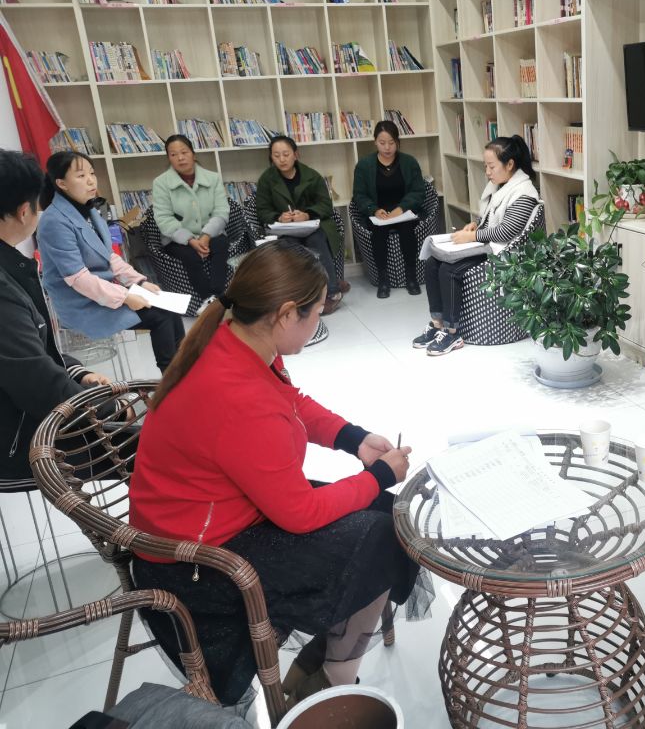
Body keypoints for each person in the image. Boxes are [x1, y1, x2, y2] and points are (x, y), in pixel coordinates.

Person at [129, 241, 425, 706]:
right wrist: (380, 475)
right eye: (317, 313)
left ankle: (319, 668)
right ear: (287, 314)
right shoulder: (237, 395)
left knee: (386, 513)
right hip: (197, 562)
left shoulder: (236, 337)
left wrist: (353, 438)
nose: (318, 322)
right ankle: (331, 683)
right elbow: (299, 514)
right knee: (383, 535)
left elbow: (291, 402)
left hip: (221, 512)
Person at [0, 149, 112, 482]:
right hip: (18, 438)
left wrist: (77, 372)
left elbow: (32, 348)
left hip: (30, 408)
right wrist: (108, 409)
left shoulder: (12, 267)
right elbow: (35, 381)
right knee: (158, 444)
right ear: (25, 211)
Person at [36, 151, 184, 373]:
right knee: (159, 316)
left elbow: (109, 257)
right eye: (81, 175)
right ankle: (172, 379)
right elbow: (78, 279)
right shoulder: (54, 221)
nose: (91, 181)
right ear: (61, 183)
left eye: (92, 173)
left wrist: (140, 282)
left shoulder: (89, 210)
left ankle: (184, 370)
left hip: (104, 291)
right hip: (81, 302)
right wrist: (125, 297)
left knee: (169, 307)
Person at [412, 134, 539, 356]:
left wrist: (472, 237)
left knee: (449, 269)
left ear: (510, 164)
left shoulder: (524, 193)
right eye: (485, 166)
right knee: (432, 263)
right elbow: (492, 219)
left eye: (491, 166)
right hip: (488, 245)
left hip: (504, 254)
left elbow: (507, 231)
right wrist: (476, 224)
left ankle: (452, 333)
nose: (487, 172)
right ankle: (438, 324)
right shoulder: (501, 186)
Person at [255, 135, 349, 315]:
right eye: (276, 155)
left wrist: (307, 214)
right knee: (291, 247)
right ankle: (301, 297)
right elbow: (262, 210)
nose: (282, 159)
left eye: (286, 154)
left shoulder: (311, 176)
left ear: (295, 154)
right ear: (271, 157)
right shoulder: (267, 179)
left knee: (317, 241)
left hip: (313, 226)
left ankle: (332, 292)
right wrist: (279, 217)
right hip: (285, 230)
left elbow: (325, 205)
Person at [151, 135, 230, 312]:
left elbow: (221, 211)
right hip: (177, 238)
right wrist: (190, 240)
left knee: (221, 246)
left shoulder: (213, 178)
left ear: (193, 154)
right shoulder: (161, 183)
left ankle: (217, 296)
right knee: (190, 256)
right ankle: (207, 299)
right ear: (169, 158)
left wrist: (206, 235)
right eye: (173, 154)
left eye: (184, 152)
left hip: (211, 233)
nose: (180, 158)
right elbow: (163, 219)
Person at [352, 120, 426, 299]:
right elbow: (359, 195)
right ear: (375, 142)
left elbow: (419, 191)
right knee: (378, 232)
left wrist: (402, 208)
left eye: (391, 143)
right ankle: (383, 279)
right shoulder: (364, 165)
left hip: (403, 212)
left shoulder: (409, 162)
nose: (387, 147)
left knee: (407, 230)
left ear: (397, 142)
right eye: (382, 142)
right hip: (379, 214)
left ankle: (411, 277)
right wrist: (374, 210)